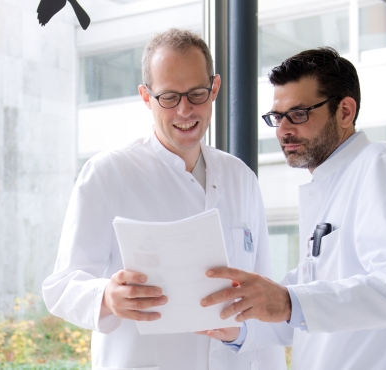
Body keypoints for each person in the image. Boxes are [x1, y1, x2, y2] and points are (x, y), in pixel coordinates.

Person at [41, 28, 285, 370]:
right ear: (146, 97)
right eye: (169, 97)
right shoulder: (108, 173)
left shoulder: (240, 177)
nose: (184, 110)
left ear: (214, 89)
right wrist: (107, 297)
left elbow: (263, 300)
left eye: (197, 94)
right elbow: (62, 286)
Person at [198, 47, 386, 369]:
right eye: (277, 117)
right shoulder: (327, 186)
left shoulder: (381, 164)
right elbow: (306, 311)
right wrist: (238, 326)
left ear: (345, 111)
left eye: (299, 114)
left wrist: (289, 301)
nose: (283, 130)